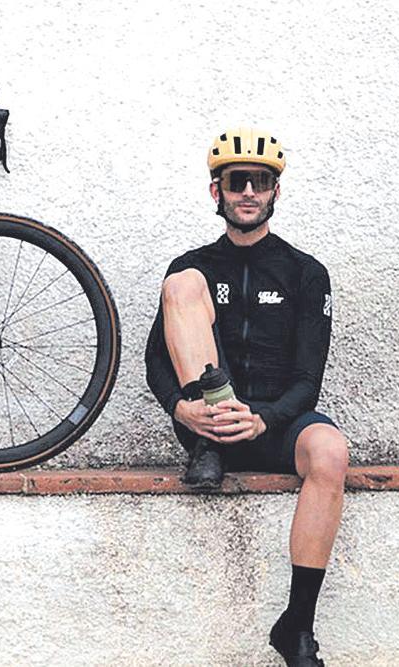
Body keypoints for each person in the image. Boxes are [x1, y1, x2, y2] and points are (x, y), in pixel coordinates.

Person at [143, 127, 349, 665]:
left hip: (276, 425)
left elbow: (309, 381)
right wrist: (181, 409)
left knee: (330, 451)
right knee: (182, 284)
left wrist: (263, 420)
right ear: (218, 192)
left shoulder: (307, 273)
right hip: (206, 433)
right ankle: (209, 440)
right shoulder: (192, 268)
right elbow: (155, 362)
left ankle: (297, 627)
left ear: (275, 192)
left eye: (261, 182)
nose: (249, 192)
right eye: (238, 182)